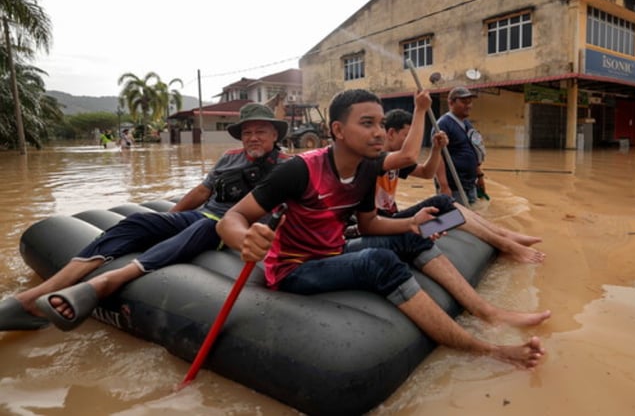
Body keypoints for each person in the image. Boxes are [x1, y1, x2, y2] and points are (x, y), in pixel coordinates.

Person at [216, 89, 549, 369]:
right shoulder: (299, 171)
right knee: (379, 260)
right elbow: (232, 218)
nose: (379, 131)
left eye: (380, 123)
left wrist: (412, 223)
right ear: (338, 130)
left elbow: (369, 223)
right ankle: (485, 350)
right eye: (368, 124)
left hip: (335, 250)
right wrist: (244, 238)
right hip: (294, 268)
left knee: (438, 214)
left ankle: (486, 309)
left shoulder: (368, 167)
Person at [0, 103, 290, 332]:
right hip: (202, 216)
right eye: (247, 132)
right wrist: (165, 221)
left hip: (230, 230)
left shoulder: (289, 167)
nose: (253, 137)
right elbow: (202, 191)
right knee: (137, 222)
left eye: (261, 131)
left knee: (206, 226)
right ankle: (39, 295)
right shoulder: (229, 158)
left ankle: (104, 283)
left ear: (275, 135)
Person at [378, 108, 545, 264]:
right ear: (391, 133)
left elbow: (427, 173)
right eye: (407, 137)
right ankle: (507, 245)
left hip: (396, 220)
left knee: (448, 210)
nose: (410, 144)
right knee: (443, 202)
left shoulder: (396, 160)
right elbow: (409, 156)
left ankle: (503, 234)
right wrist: (420, 108)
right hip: (386, 226)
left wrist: (437, 149)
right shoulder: (378, 159)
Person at [434, 86, 487, 205]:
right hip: (454, 187)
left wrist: (480, 176)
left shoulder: (467, 124)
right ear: (451, 102)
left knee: (473, 216)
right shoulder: (442, 125)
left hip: (470, 184)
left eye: (470, 102)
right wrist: (444, 187)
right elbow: (437, 157)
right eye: (463, 102)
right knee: (457, 220)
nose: (468, 106)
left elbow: (472, 151)